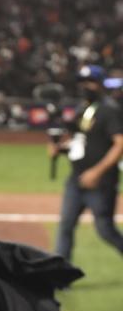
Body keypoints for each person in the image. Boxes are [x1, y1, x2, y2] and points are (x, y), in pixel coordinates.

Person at [51, 64, 123, 260]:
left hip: (101, 182)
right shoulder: (83, 109)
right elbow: (79, 140)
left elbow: (120, 144)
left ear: (100, 84)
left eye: (90, 82)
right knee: (66, 226)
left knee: (105, 230)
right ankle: (60, 278)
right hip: (76, 179)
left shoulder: (109, 110)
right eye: (82, 82)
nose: (85, 86)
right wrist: (60, 149)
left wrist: (96, 172)